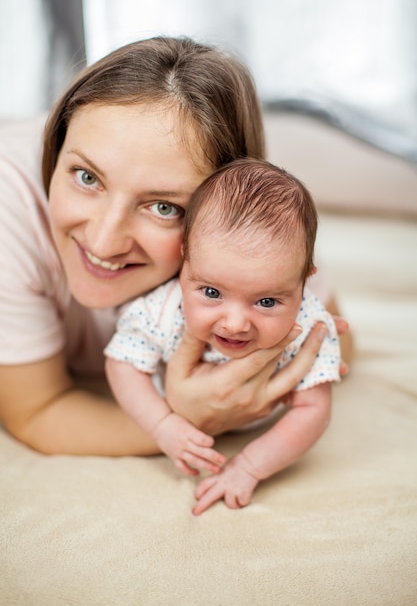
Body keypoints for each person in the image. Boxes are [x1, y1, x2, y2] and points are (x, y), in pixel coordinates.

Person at [0, 36, 350, 457]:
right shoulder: (10, 207)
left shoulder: (254, 232)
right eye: (86, 177)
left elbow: (338, 342)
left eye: (163, 206)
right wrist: (186, 419)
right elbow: (37, 411)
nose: (103, 241)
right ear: (56, 152)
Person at [105, 159, 340, 514]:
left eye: (266, 301)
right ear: (185, 261)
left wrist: (249, 466)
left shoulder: (308, 324)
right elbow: (121, 362)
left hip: (259, 421)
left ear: (304, 282)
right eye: (212, 292)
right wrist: (162, 423)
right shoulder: (161, 310)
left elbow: (315, 410)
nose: (234, 324)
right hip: (179, 408)